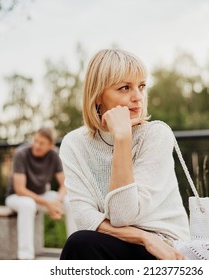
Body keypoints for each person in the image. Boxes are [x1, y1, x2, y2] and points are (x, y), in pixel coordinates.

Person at [59, 49, 190, 260]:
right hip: (135, 242)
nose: (138, 97)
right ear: (98, 95)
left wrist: (122, 139)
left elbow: (122, 215)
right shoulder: (73, 144)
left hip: (165, 248)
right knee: (80, 242)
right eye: (124, 88)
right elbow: (84, 216)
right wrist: (143, 237)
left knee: (81, 244)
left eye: (141, 86)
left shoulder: (156, 134)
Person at [5, 127, 76, 260]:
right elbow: (20, 189)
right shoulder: (21, 154)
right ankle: (25, 257)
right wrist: (48, 204)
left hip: (42, 195)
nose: (36, 146)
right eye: (35, 141)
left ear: (51, 145)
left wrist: (57, 202)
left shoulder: (54, 154)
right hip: (17, 197)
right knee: (28, 205)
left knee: (70, 202)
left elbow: (64, 184)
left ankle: (75, 254)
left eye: (41, 143)